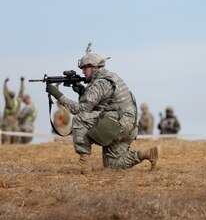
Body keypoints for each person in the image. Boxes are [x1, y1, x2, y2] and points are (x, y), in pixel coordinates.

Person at [45, 46, 159, 174]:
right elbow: (103, 105)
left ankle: (85, 166)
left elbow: (81, 109)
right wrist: (83, 92)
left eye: (85, 68)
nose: (83, 72)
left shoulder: (100, 83)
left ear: (94, 67)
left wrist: (59, 96)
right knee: (112, 165)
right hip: (127, 126)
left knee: (80, 119)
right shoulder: (110, 77)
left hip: (117, 125)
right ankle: (146, 154)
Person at [2, 77, 24, 144]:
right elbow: (5, 92)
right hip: (8, 119)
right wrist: (5, 84)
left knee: (16, 134)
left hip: (15, 119)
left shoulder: (17, 101)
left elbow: (21, 92)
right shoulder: (8, 100)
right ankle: (6, 147)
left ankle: (15, 146)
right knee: (6, 136)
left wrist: (22, 82)